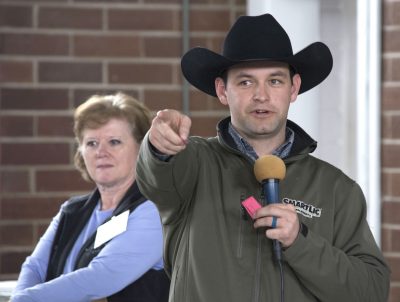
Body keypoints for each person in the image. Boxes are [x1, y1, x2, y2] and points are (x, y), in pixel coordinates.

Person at [135, 13, 390, 302]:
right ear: (222, 90)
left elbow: (372, 291)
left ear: (293, 88)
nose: (261, 95)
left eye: (275, 81)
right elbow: (157, 177)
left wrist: (301, 241)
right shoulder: (192, 164)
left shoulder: (336, 189)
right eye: (245, 82)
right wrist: (159, 146)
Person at [11, 92, 170, 302]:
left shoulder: (153, 210)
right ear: (81, 151)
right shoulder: (72, 210)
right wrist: (19, 298)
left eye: (114, 142)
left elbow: (100, 277)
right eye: (91, 143)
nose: (101, 152)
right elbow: (35, 267)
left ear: (141, 149)